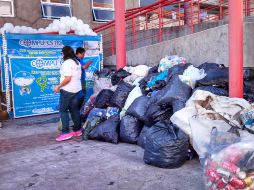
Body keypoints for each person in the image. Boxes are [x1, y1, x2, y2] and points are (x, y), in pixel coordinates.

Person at [55, 46, 84, 142]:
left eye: (62, 53)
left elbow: (68, 78)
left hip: (67, 90)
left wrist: (58, 87)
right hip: (77, 89)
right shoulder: (77, 62)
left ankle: (65, 132)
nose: (61, 54)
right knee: (74, 109)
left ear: (65, 53)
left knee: (63, 110)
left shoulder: (67, 63)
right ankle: (77, 130)